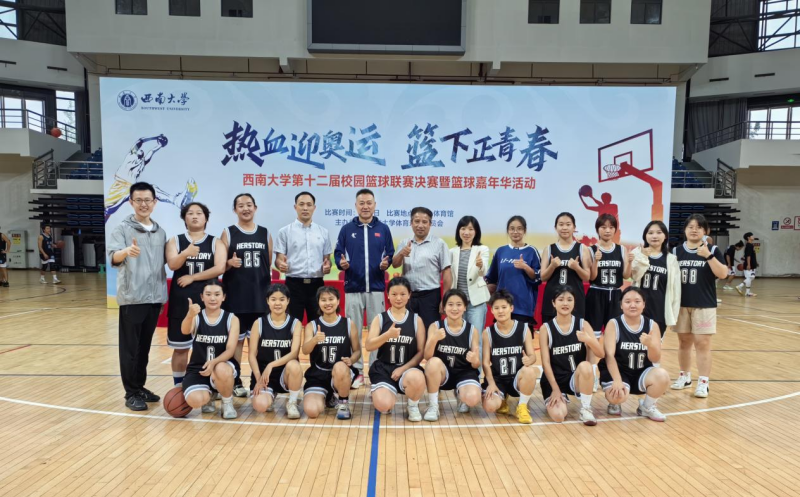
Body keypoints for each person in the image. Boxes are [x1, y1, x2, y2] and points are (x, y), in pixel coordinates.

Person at [107, 182, 168, 411]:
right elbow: (113, 258)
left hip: (154, 298)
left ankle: (140, 387)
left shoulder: (160, 231)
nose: (143, 204)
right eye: (139, 200)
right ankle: (131, 393)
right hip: (133, 298)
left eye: (147, 200)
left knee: (144, 348)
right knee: (130, 349)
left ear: (154, 202)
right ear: (131, 202)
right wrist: (125, 252)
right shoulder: (122, 229)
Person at [335, 188, 395, 389]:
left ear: (375, 205)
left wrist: (386, 263)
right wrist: (341, 263)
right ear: (356, 205)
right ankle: (357, 371)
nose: (365, 206)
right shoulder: (346, 229)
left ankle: (376, 370)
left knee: (376, 332)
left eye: (369, 203)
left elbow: (390, 254)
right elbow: (338, 253)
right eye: (362, 203)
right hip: (353, 288)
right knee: (354, 332)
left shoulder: (383, 229)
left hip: (377, 289)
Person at [165, 202, 226, 386]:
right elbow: (172, 264)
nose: (194, 216)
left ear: (206, 218)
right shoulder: (175, 241)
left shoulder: (216, 242)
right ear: (184, 218)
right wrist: (186, 253)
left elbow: (220, 268)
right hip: (181, 302)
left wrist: (192, 277)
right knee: (180, 349)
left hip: (209, 303)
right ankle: (178, 386)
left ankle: (212, 384)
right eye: (190, 213)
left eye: (199, 213)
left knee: (211, 347)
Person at [221, 193, 273, 397]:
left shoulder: (265, 233)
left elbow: (268, 264)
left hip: (260, 297)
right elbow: (219, 265)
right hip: (236, 297)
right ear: (235, 210)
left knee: (258, 344)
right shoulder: (228, 232)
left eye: (249, 205)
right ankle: (235, 381)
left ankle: (256, 381)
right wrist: (228, 263)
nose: (245, 208)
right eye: (241, 205)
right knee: (236, 342)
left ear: (255, 208)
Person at [671, 214, 728, 398]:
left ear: (705, 231)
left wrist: (708, 256)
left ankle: (703, 382)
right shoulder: (676, 251)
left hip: (704, 304)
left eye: (698, 227)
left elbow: (723, 274)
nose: (694, 230)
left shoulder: (713, 249)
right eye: (691, 227)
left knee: (702, 343)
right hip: (681, 305)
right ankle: (685, 376)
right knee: (684, 342)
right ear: (685, 230)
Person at [600, 287, 670, 422]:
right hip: (619, 371)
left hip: (641, 372)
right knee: (617, 396)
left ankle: (646, 407)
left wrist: (650, 345)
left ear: (643, 304)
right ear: (621, 305)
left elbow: (655, 359)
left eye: (637, 301)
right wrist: (617, 380)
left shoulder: (652, 325)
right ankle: (614, 403)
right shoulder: (613, 324)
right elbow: (609, 356)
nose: (632, 305)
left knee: (662, 376)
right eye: (627, 302)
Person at [539, 285, 604, 426]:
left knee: (586, 366)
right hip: (554, 379)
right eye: (561, 299)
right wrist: (555, 390)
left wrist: (589, 340)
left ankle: (585, 408)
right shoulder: (546, 328)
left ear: (574, 302)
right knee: (559, 416)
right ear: (553, 303)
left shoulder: (583, 324)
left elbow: (601, 353)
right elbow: (545, 363)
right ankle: (559, 397)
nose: (565, 303)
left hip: (574, 378)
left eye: (569, 299)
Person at [365, 277, 427, 422]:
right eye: (394, 294)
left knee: (417, 377)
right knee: (383, 405)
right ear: (387, 295)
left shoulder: (416, 320)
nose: (398, 298)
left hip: (407, 368)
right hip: (384, 368)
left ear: (409, 295)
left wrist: (402, 368)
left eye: (403, 294)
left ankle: (412, 405)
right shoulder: (380, 318)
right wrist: (387, 335)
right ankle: (384, 392)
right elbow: (369, 346)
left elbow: (421, 352)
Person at [180, 280, 240, 419]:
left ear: (223, 297)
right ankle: (209, 395)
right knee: (195, 400)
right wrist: (189, 315)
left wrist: (214, 363)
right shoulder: (196, 317)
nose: (212, 298)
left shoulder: (232, 319)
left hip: (223, 365)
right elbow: (184, 331)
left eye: (217, 294)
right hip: (198, 367)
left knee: (221, 368)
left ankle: (227, 402)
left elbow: (230, 350)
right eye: (208, 294)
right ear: (202, 297)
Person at [301, 286, 361, 420]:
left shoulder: (348, 324)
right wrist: (314, 340)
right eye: (323, 300)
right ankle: (329, 397)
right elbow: (305, 350)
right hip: (318, 374)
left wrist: (351, 360)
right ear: (318, 302)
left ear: (338, 301)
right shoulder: (312, 325)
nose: (327, 303)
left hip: (340, 373)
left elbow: (357, 351)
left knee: (339, 366)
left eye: (331, 299)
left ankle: (343, 403)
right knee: (311, 411)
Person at [104, 134, 197, 220]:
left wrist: (160, 145)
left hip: (130, 188)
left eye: (143, 152)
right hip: (119, 186)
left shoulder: (142, 163)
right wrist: (155, 137)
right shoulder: (131, 154)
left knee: (151, 189)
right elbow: (141, 140)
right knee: (107, 211)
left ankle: (177, 201)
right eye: (140, 150)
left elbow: (152, 151)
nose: (142, 151)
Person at [422, 289, 482, 421]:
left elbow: (476, 364)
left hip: (464, 372)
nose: (454, 308)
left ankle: (461, 394)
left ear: (465, 307)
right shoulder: (435, 326)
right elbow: (427, 356)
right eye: (450, 304)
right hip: (443, 374)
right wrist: (434, 339)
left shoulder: (472, 330)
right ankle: (433, 406)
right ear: (444, 307)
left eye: (459, 304)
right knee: (433, 363)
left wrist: (474, 360)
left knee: (473, 399)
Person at [481, 290, 538, 424]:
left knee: (530, 371)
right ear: (492, 311)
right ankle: (502, 398)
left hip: (516, 378)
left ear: (511, 308)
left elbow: (533, 356)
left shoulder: (523, 328)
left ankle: (522, 406)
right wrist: (491, 384)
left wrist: (529, 359)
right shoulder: (487, 333)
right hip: (498, 379)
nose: (500, 311)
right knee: (490, 406)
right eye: (496, 308)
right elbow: (485, 363)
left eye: (504, 307)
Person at [275, 191, 332, 322]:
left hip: (317, 285)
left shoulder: (323, 232)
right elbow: (278, 259)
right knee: (292, 324)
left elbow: (327, 260)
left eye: (309, 205)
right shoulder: (285, 232)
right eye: (301, 204)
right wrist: (280, 265)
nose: (305, 208)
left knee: (318, 323)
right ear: (295, 207)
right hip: (293, 285)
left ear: (314, 208)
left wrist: (328, 266)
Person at [393, 207, 452, 330]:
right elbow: (395, 264)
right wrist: (401, 253)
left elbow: (447, 272)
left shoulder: (439, 244)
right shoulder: (404, 243)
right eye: (417, 221)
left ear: (430, 224)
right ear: (411, 223)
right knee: (408, 331)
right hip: (408, 296)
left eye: (424, 222)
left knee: (430, 331)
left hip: (430, 297)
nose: (420, 225)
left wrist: (445, 299)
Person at [249, 284, 303, 419]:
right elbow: (251, 355)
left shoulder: (295, 323)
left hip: (285, 373)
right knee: (260, 406)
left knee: (294, 365)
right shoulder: (259, 323)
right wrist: (258, 379)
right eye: (273, 299)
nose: (277, 303)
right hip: (264, 374)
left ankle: (292, 402)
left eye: (282, 299)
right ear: (267, 301)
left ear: (288, 301)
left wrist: (271, 364)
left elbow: (294, 353)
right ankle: (270, 394)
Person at [485, 216, 542, 330]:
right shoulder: (501, 251)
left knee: (524, 339)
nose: (515, 232)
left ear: (524, 231)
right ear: (508, 231)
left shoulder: (531, 251)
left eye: (519, 228)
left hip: (523, 306)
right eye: (512, 229)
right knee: (501, 339)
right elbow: (492, 278)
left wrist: (525, 267)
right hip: (502, 306)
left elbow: (538, 278)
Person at [630, 221, 680, 341]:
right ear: (645, 236)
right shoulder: (637, 252)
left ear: (665, 236)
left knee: (655, 345)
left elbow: (676, 290)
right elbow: (635, 276)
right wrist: (643, 256)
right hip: (638, 308)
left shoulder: (671, 259)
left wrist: (673, 315)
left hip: (660, 309)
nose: (654, 236)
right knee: (635, 344)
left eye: (659, 232)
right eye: (650, 233)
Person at [540, 212, 591, 323]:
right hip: (552, 300)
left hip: (575, 301)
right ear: (555, 227)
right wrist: (552, 266)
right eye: (561, 224)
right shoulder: (549, 249)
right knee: (550, 332)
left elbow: (587, 277)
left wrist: (577, 268)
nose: (564, 228)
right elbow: (543, 277)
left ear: (574, 227)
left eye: (568, 224)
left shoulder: (582, 248)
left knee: (575, 332)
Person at [449, 216, 491, 336]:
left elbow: (483, 272)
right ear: (458, 231)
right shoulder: (452, 252)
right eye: (463, 228)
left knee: (475, 337)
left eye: (470, 229)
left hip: (476, 302)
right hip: (458, 302)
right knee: (459, 336)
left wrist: (480, 265)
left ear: (476, 231)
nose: (466, 232)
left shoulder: (482, 249)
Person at [736, 232, 758, 297]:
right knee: (751, 277)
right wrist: (748, 264)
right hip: (749, 265)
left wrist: (756, 262)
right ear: (748, 237)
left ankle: (747, 292)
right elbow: (748, 256)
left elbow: (751, 255)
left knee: (750, 278)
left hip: (752, 264)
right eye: (752, 236)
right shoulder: (749, 245)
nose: (753, 237)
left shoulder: (750, 245)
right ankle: (740, 287)